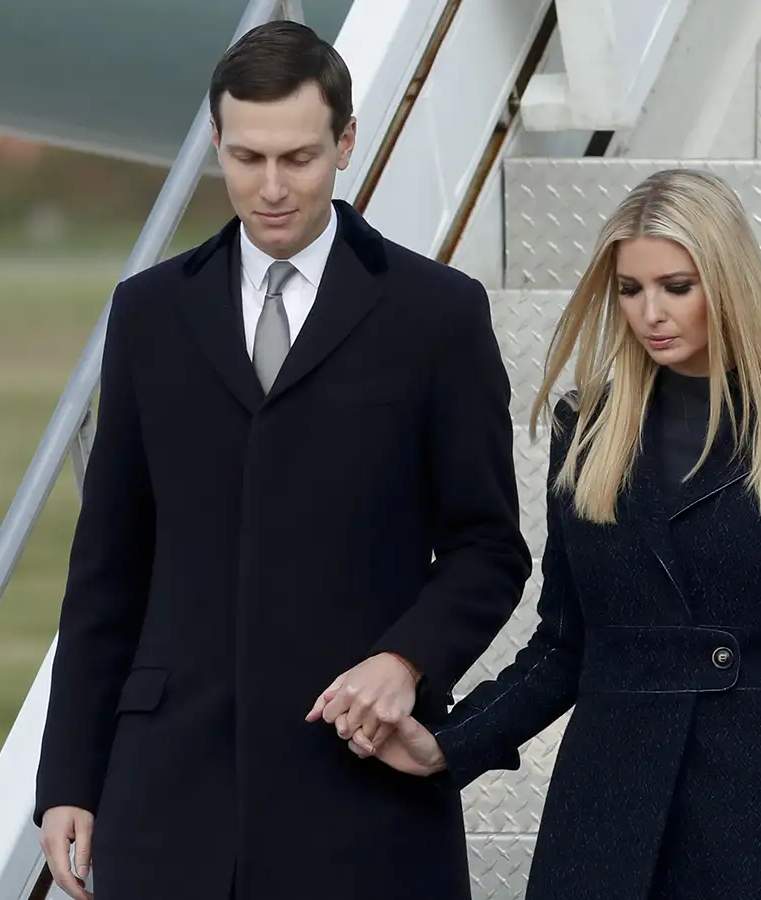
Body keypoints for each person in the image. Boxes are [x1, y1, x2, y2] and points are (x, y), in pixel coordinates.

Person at [32, 20, 532, 900]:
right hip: (170, 797)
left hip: (359, 794)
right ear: (215, 141)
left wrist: (405, 661)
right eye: (247, 157)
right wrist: (69, 778)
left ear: (346, 143)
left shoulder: (437, 315)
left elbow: (488, 549)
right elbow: (108, 565)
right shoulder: (148, 313)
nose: (270, 188)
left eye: (298, 158)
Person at [335, 169, 761, 899]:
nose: (650, 313)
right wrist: (447, 745)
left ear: (729, 283)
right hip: (606, 816)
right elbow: (565, 645)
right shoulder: (588, 429)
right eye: (630, 290)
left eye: (676, 286)